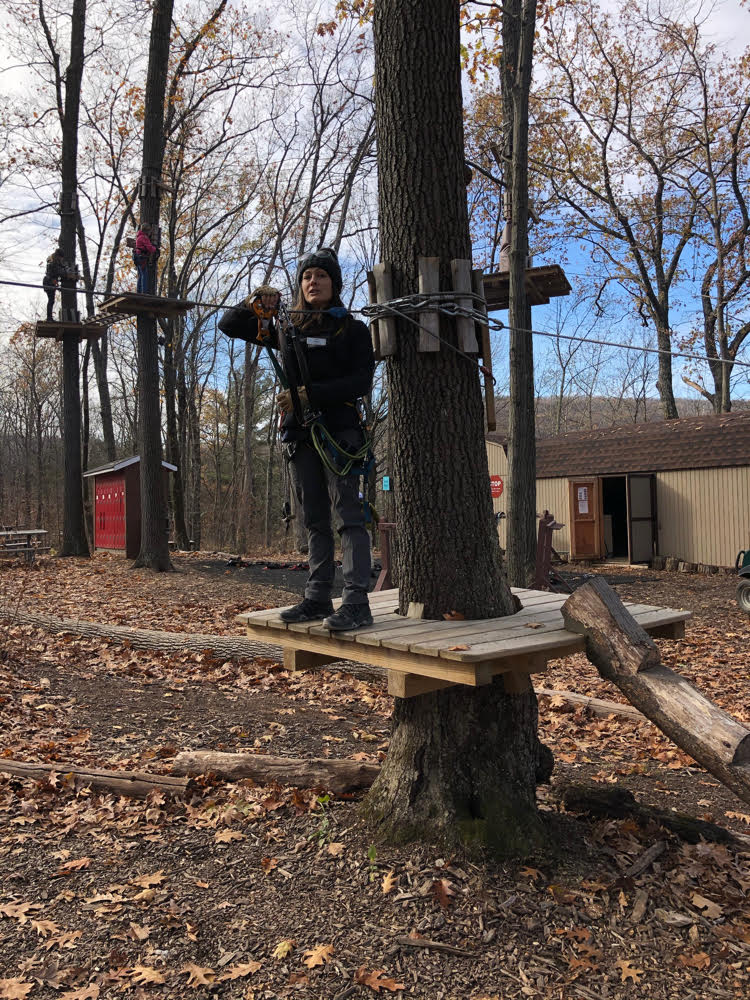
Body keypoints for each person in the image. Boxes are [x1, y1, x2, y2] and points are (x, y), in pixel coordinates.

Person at [219, 248, 375, 631]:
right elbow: (230, 324)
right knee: (314, 520)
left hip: (340, 433)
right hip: (300, 435)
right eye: (307, 277)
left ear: (334, 284)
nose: (313, 282)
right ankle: (318, 597)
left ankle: (356, 602)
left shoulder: (352, 330)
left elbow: (361, 382)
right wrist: (255, 301)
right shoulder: (287, 330)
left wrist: (309, 394)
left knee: (349, 518)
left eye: (321, 276)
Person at [42, 248, 71, 321]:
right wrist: (66, 271)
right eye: (61, 258)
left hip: (49, 282)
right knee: (51, 300)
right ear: (59, 256)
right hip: (49, 282)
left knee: (51, 300)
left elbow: (60, 268)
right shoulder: (53, 263)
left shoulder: (53, 261)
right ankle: (49, 318)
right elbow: (59, 272)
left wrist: (64, 267)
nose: (61, 259)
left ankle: (49, 317)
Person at [134, 223, 158, 294]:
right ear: (147, 231)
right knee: (144, 275)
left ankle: (139, 291)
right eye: (149, 231)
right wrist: (155, 249)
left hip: (137, 257)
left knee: (141, 275)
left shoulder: (139, 236)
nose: (150, 233)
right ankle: (143, 292)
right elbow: (150, 248)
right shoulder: (144, 237)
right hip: (141, 257)